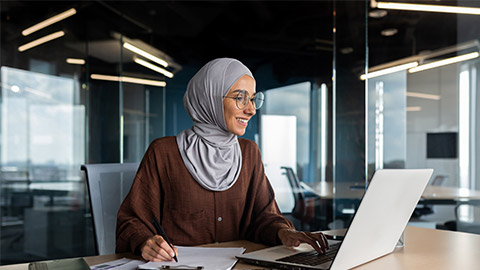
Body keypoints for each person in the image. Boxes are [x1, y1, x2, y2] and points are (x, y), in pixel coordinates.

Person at [116, 58, 330, 262]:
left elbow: (264, 217)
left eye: (253, 99)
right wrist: (145, 241)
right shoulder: (164, 152)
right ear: (209, 98)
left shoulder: (249, 153)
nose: (251, 110)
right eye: (240, 98)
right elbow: (131, 221)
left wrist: (284, 233)